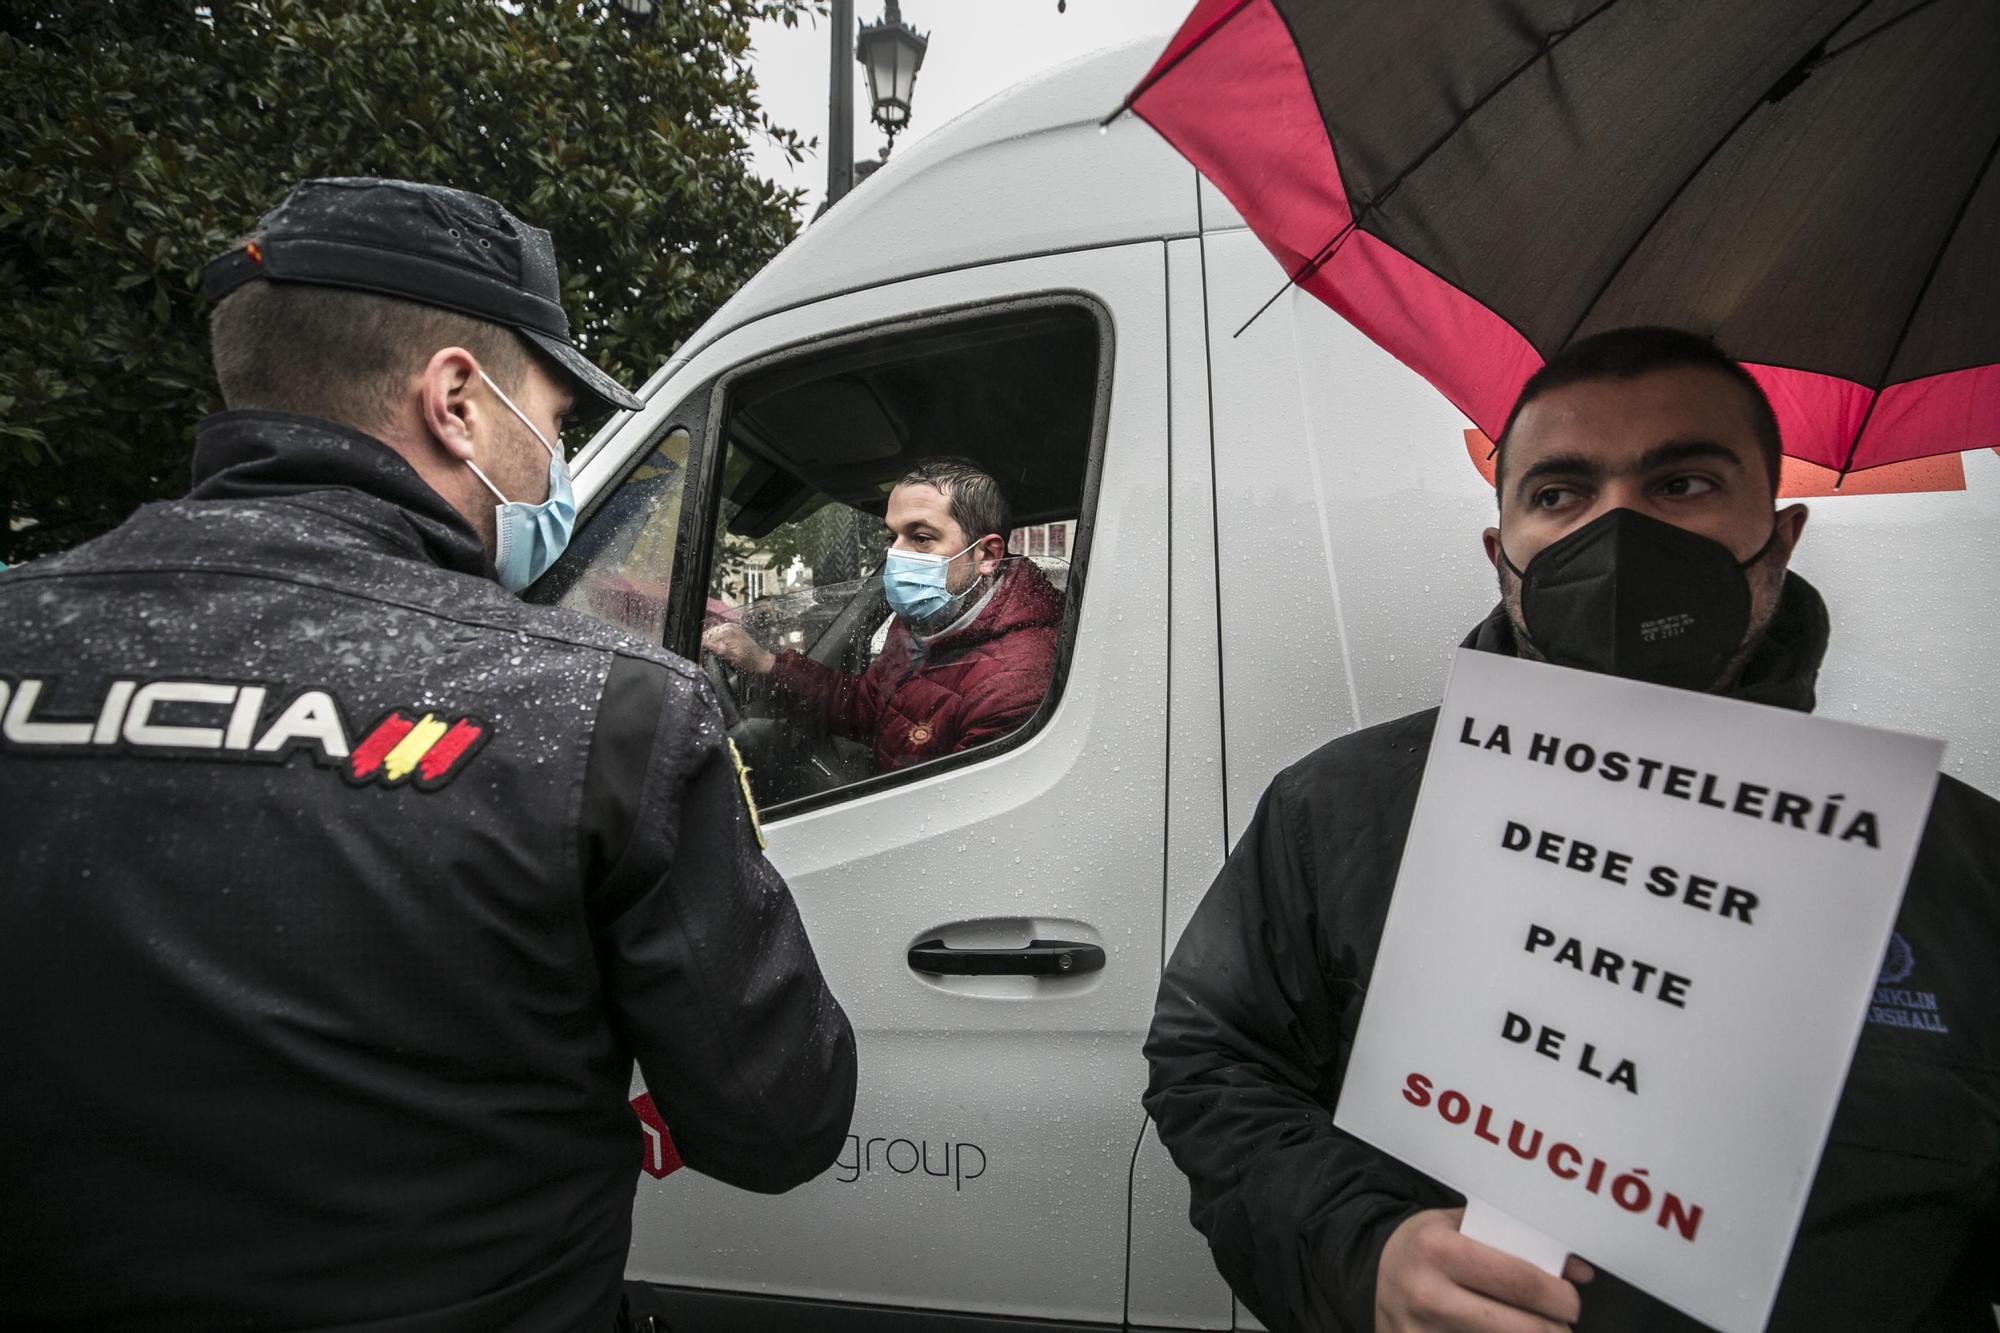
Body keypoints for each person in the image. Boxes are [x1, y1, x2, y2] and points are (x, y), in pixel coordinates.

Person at [0, 178, 857, 1332]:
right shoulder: (598, 707)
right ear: (456, 398)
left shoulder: (27, 637)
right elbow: (776, 1118)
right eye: (553, 424)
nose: (555, 466)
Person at [1142, 327, 1999, 1332]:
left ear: (1779, 535)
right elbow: (1210, 1061)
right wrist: (1361, 1251)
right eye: (1558, 494)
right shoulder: (1336, 812)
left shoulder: (1962, 864)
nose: (1619, 530)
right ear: (1498, 552)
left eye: (1680, 482)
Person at [702, 456, 1063, 774]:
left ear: (987, 556)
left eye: (921, 538)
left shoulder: (1014, 684)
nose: (895, 554)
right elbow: (868, 708)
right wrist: (766, 664)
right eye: (893, 536)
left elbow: (954, 820)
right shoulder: (928, 621)